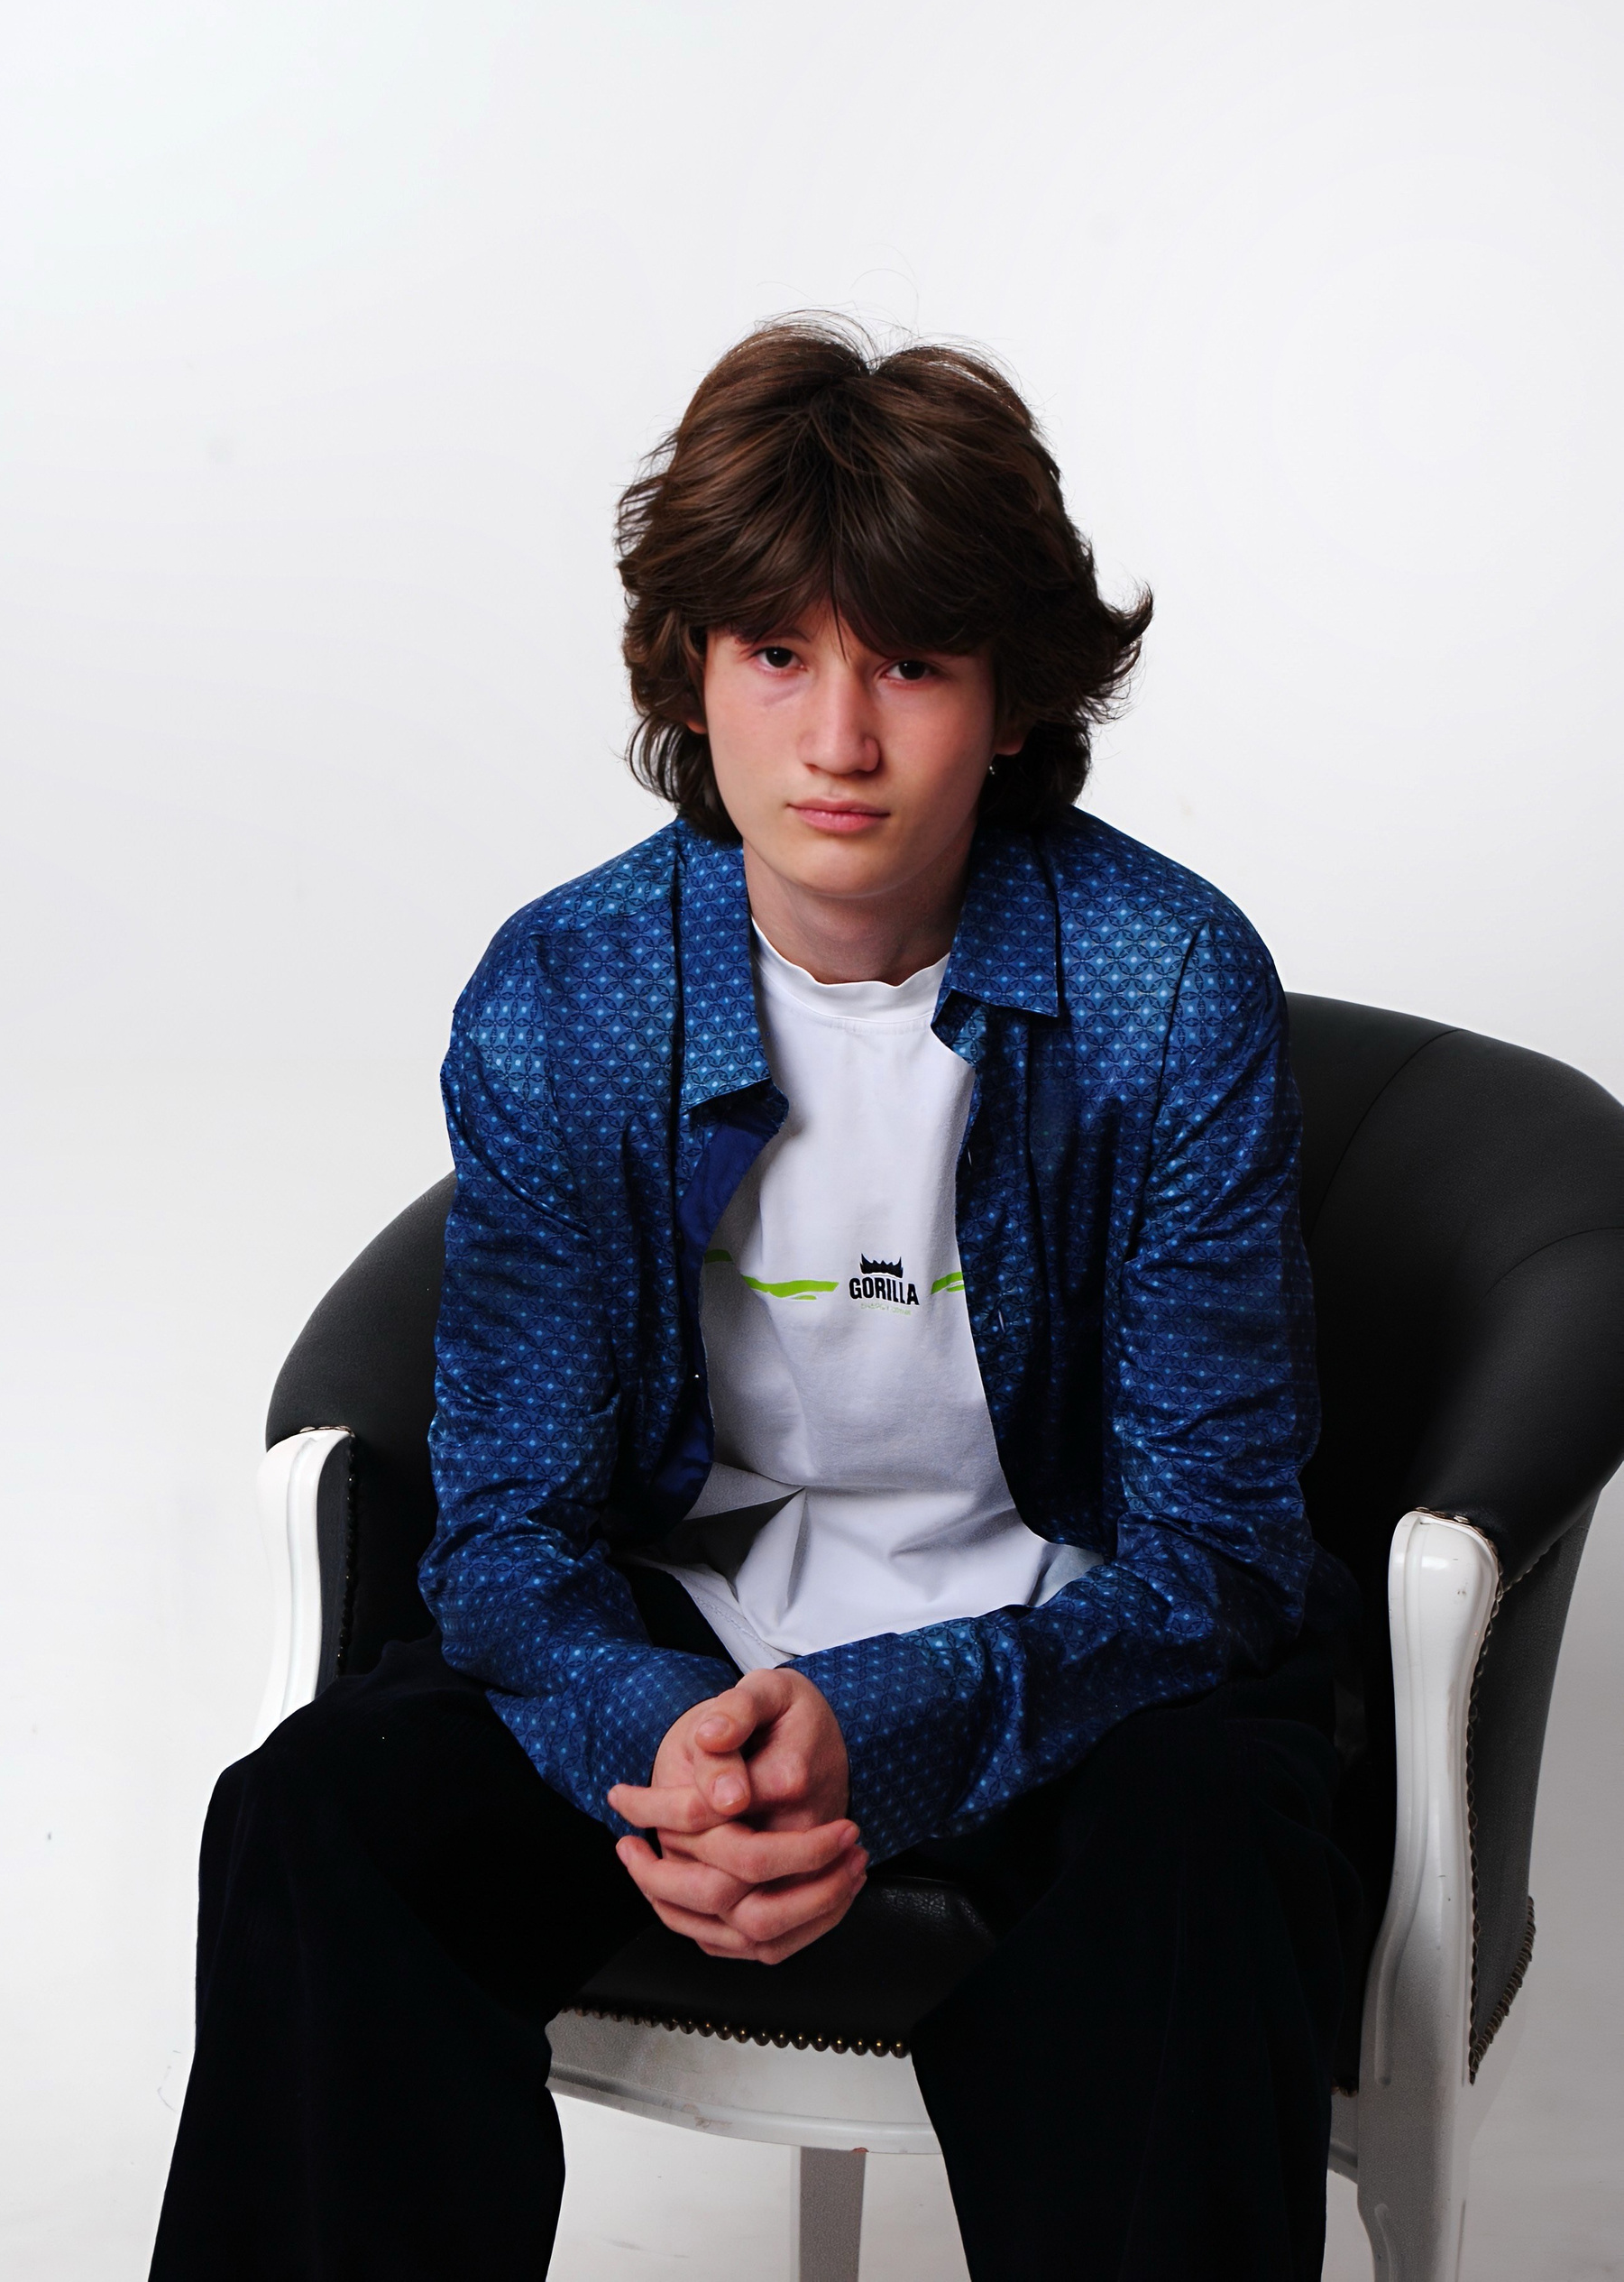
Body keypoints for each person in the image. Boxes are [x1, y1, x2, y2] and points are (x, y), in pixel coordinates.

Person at [151, 321, 1359, 2281]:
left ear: (1013, 700)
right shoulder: (569, 990)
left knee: (1212, 1837)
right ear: (691, 674)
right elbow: (509, 1538)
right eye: (779, 655)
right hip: (688, 1639)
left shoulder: (1165, 981)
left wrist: (873, 1728)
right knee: (319, 1816)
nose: (839, 741)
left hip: (1074, 1645)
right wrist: (674, 1735)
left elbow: (1214, 1556)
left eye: (913, 663)